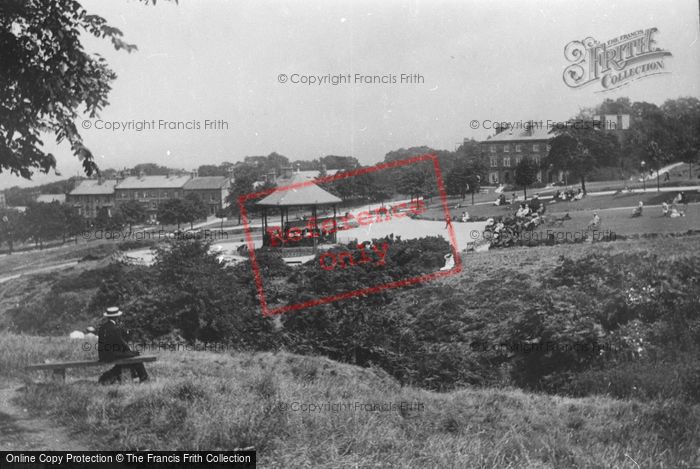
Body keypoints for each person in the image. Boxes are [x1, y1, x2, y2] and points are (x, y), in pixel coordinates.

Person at [97, 306, 149, 385]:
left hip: (103, 355)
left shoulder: (102, 327)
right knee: (136, 355)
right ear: (116, 317)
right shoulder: (115, 328)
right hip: (112, 355)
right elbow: (121, 343)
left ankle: (108, 377)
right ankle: (144, 378)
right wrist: (130, 350)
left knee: (130, 356)